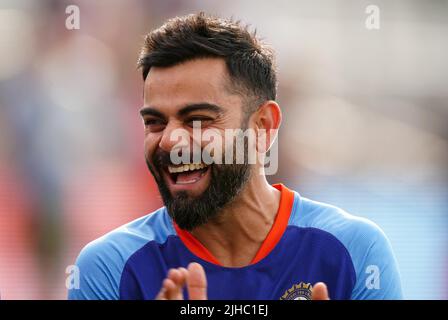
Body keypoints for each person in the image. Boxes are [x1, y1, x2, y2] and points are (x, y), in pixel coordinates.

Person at [68, 12, 402, 300]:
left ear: (263, 126)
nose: (170, 140)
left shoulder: (355, 251)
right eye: (154, 123)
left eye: (198, 120)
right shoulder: (109, 267)